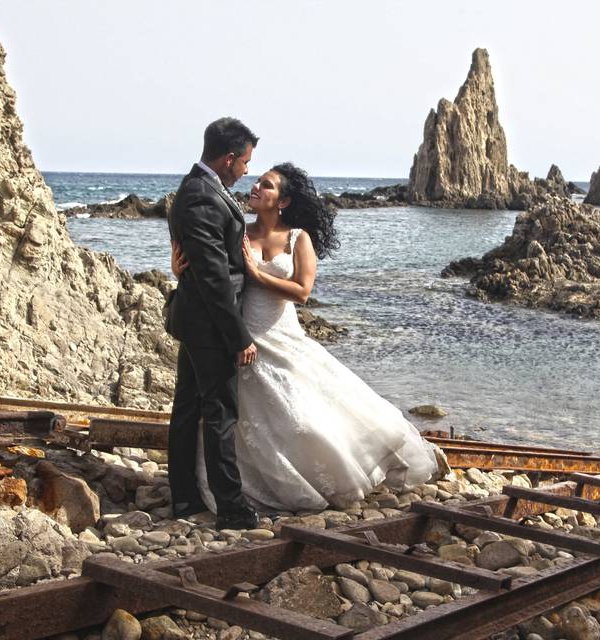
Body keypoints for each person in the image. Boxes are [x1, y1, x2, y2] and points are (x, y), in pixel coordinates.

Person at [172, 163, 439, 513]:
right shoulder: (239, 231)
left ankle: (324, 476)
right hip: (241, 334)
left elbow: (302, 292)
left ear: (282, 201)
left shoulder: (298, 238)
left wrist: (256, 274)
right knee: (245, 421)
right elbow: (213, 273)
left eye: (265, 185)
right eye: (256, 182)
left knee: (302, 419)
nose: (255, 187)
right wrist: (180, 272)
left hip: (281, 334)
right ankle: (239, 488)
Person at [165, 117, 259, 529]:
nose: (246, 171)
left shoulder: (203, 189)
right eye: (244, 164)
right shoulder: (202, 195)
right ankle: (231, 508)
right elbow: (213, 276)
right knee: (219, 411)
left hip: (197, 319)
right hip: (208, 323)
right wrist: (238, 336)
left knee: (188, 408)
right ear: (228, 158)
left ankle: (185, 498)